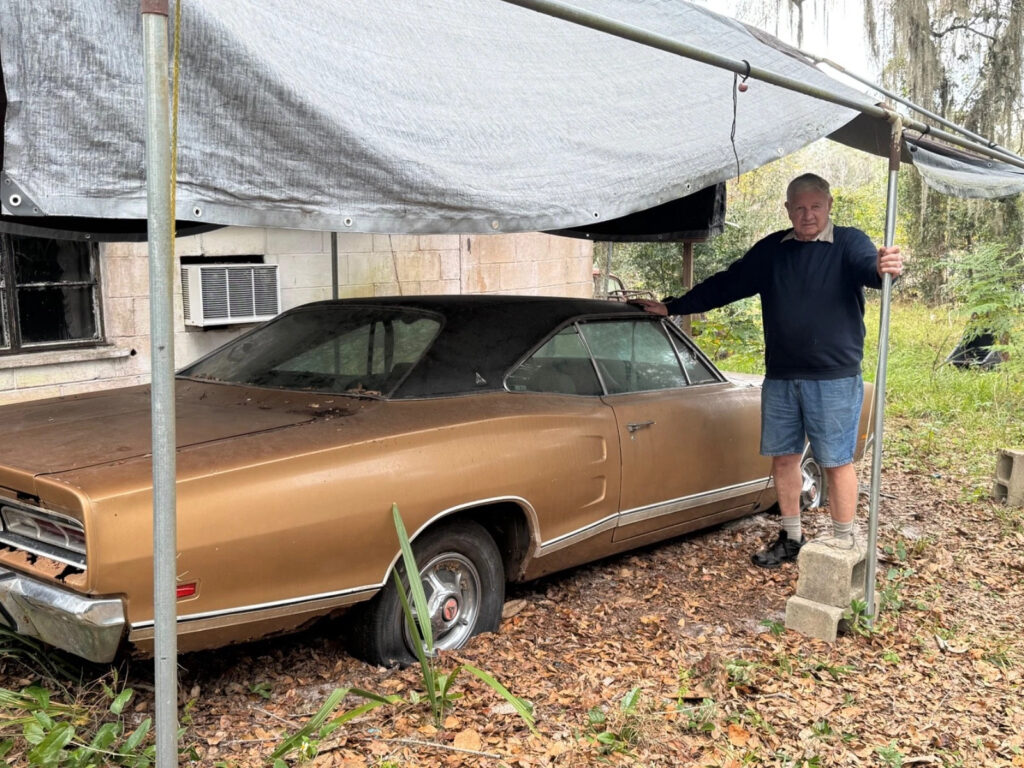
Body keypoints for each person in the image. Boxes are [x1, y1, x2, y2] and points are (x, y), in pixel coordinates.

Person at [633, 173, 903, 568]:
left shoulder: (849, 242)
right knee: (783, 458)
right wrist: (674, 307)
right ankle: (792, 537)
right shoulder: (773, 250)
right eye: (799, 207)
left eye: (815, 206)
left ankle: (845, 543)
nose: (807, 215)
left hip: (833, 378)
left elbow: (872, 269)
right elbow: (729, 283)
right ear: (788, 209)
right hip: (780, 377)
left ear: (829, 206)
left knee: (835, 460)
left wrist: (887, 266)